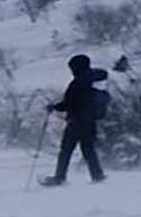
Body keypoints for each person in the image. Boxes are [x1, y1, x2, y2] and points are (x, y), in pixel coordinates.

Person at [45, 54, 110, 185]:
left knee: (66, 151)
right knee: (88, 150)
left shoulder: (78, 84)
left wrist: (54, 107)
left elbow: (69, 104)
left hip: (76, 122)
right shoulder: (94, 80)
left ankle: (60, 177)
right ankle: (97, 175)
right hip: (90, 122)